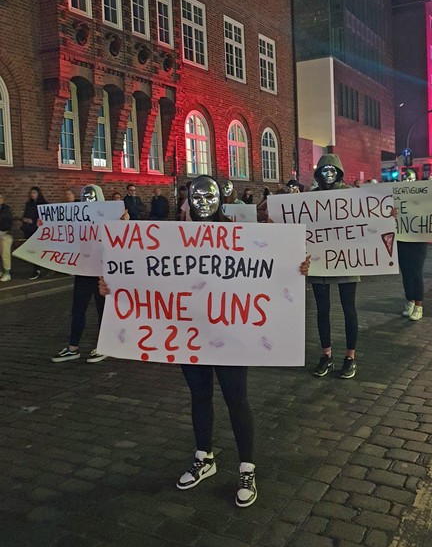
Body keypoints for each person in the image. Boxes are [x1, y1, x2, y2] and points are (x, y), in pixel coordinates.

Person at [99, 175, 310, 508]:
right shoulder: (171, 237)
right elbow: (142, 273)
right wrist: (113, 284)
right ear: (186, 200)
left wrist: (296, 266)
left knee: (236, 398)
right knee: (200, 395)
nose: (202, 203)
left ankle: (246, 466)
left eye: (208, 196)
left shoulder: (238, 236)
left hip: (230, 332)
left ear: (219, 201)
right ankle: (204, 456)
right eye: (195, 196)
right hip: (189, 332)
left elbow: (268, 268)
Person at [51, 185, 128, 364]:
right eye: (85, 197)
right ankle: (73, 347)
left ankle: (104, 345)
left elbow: (122, 237)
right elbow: (64, 233)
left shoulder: (109, 217)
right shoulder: (79, 217)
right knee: (78, 309)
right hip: (84, 270)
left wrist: (124, 221)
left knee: (104, 310)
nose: (89, 201)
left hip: (102, 272)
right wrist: (47, 226)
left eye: (92, 197)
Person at [310, 154, 359, 379]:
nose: (328, 174)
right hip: (321, 263)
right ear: (318, 173)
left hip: (346, 260)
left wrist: (386, 216)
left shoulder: (351, 194)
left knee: (349, 308)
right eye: (324, 170)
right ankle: (326, 355)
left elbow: (367, 219)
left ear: (338, 172)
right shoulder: (310, 198)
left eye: (332, 170)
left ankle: (350, 357)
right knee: (322, 310)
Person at [398, 170, 426, 321]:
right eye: (405, 179)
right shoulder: (398, 196)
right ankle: (410, 301)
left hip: (418, 240)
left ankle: (419, 305)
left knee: (416, 273)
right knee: (406, 273)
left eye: (411, 179)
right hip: (402, 239)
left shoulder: (422, 196)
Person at [22, 186, 47, 280]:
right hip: (30, 230)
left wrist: (33, 220)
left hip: (39, 231)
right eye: (31, 193)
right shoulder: (29, 204)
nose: (32, 194)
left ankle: (38, 269)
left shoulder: (43, 204)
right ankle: (36, 269)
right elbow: (25, 215)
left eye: (34, 192)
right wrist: (25, 219)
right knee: (33, 251)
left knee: (39, 250)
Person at [0, 192, 14, 282]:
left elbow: (7, 221)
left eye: (0, 198)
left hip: (5, 234)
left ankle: (7, 273)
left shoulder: (6, 209)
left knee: (5, 254)